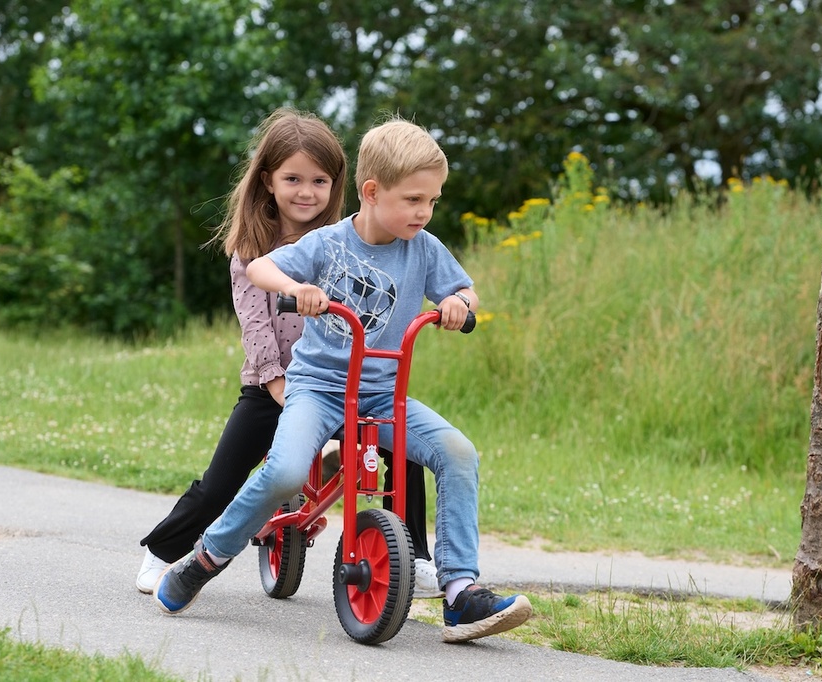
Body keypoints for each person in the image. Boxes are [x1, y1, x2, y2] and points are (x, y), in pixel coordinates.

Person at [154, 116, 533, 643]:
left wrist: (456, 303)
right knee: (286, 472)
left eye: (433, 201)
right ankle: (207, 556)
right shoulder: (329, 243)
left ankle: (460, 593)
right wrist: (297, 288)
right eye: (414, 200)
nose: (424, 212)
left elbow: (466, 290)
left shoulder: (423, 247)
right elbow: (261, 268)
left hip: (383, 393)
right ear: (372, 192)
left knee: (458, 452)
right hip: (319, 388)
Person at [136, 108, 441, 599]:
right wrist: (283, 390)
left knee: (402, 451)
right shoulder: (251, 249)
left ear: (339, 185)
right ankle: (164, 551)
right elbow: (256, 329)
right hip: (273, 385)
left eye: (319, 180)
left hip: (340, 385)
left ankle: (416, 558)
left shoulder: (344, 242)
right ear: (267, 181)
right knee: (224, 479)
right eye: (293, 178)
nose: (306, 191)